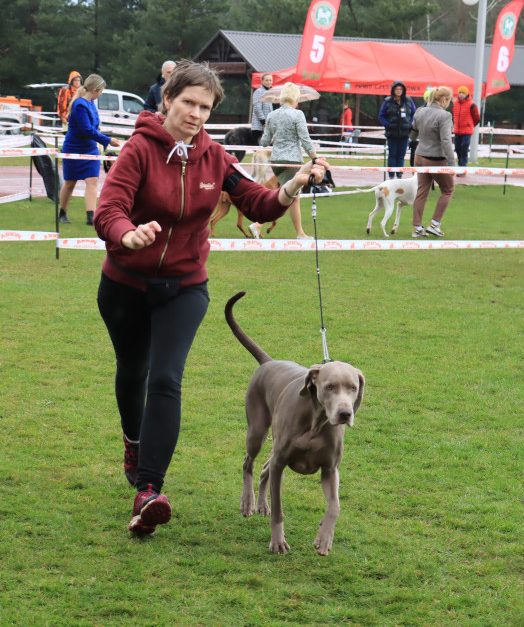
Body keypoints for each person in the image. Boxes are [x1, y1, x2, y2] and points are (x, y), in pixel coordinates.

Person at [93, 60, 328, 536]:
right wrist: (128, 234)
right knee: (132, 372)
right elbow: (108, 207)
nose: (196, 114)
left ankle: (149, 490)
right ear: (168, 100)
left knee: (165, 379)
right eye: (188, 103)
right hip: (124, 283)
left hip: (184, 286)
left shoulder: (215, 158)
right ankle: (133, 440)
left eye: (205, 107)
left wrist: (292, 184)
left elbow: (257, 204)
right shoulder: (137, 151)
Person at [253, 82, 318, 239]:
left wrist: (276, 132)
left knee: (290, 197)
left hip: (276, 161)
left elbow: (265, 142)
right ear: (296, 97)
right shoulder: (298, 114)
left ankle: (298, 233)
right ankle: (258, 225)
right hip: (292, 161)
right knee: (290, 198)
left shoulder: (272, 115)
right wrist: (315, 159)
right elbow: (305, 139)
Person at [59, 74, 121, 225]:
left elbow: (94, 127)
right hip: (74, 148)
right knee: (70, 183)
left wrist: (101, 141)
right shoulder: (80, 105)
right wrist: (107, 140)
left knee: (92, 180)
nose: (101, 94)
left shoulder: (91, 103)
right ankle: (62, 213)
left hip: (90, 148)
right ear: (94, 90)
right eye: (100, 91)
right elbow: (86, 130)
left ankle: (90, 217)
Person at [408, 86, 457, 238]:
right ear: (444, 100)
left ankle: (417, 227)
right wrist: (453, 163)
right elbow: (446, 141)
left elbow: (412, 135)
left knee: (422, 191)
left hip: (419, 156)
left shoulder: (420, 111)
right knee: (448, 190)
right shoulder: (445, 115)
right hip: (436, 159)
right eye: (449, 100)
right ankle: (435, 224)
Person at [378, 81, 416, 179]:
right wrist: (388, 125)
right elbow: (381, 116)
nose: (399, 91)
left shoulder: (408, 100)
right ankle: (391, 176)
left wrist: (410, 123)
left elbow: (414, 114)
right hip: (392, 134)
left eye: (400, 89)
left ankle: (399, 176)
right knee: (392, 155)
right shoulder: (387, 101)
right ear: (393, 90)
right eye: (397, 89)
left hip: (405, 134)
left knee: (401, 156)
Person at [451, 85, 481, 168]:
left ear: (466, 94)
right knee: (457, 148)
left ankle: (463, 165)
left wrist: (470, 125)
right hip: (457, 130)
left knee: (464, 147)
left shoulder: (472, 105)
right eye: (460, 92)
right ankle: (460, 162)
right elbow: (453, 115)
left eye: (463, 93)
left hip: (467, 131)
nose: (461, 94)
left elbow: (477, 118)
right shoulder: (454, 104)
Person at [250, 73, 274, 145]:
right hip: (259, 126)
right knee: (260, 147)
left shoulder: (272, 92)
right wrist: (263, 122)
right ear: (262, 81)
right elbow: (257, 108)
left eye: (270, 80)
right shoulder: (259, 92)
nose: (269, 82)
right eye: (267, 80)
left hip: (269, 124)